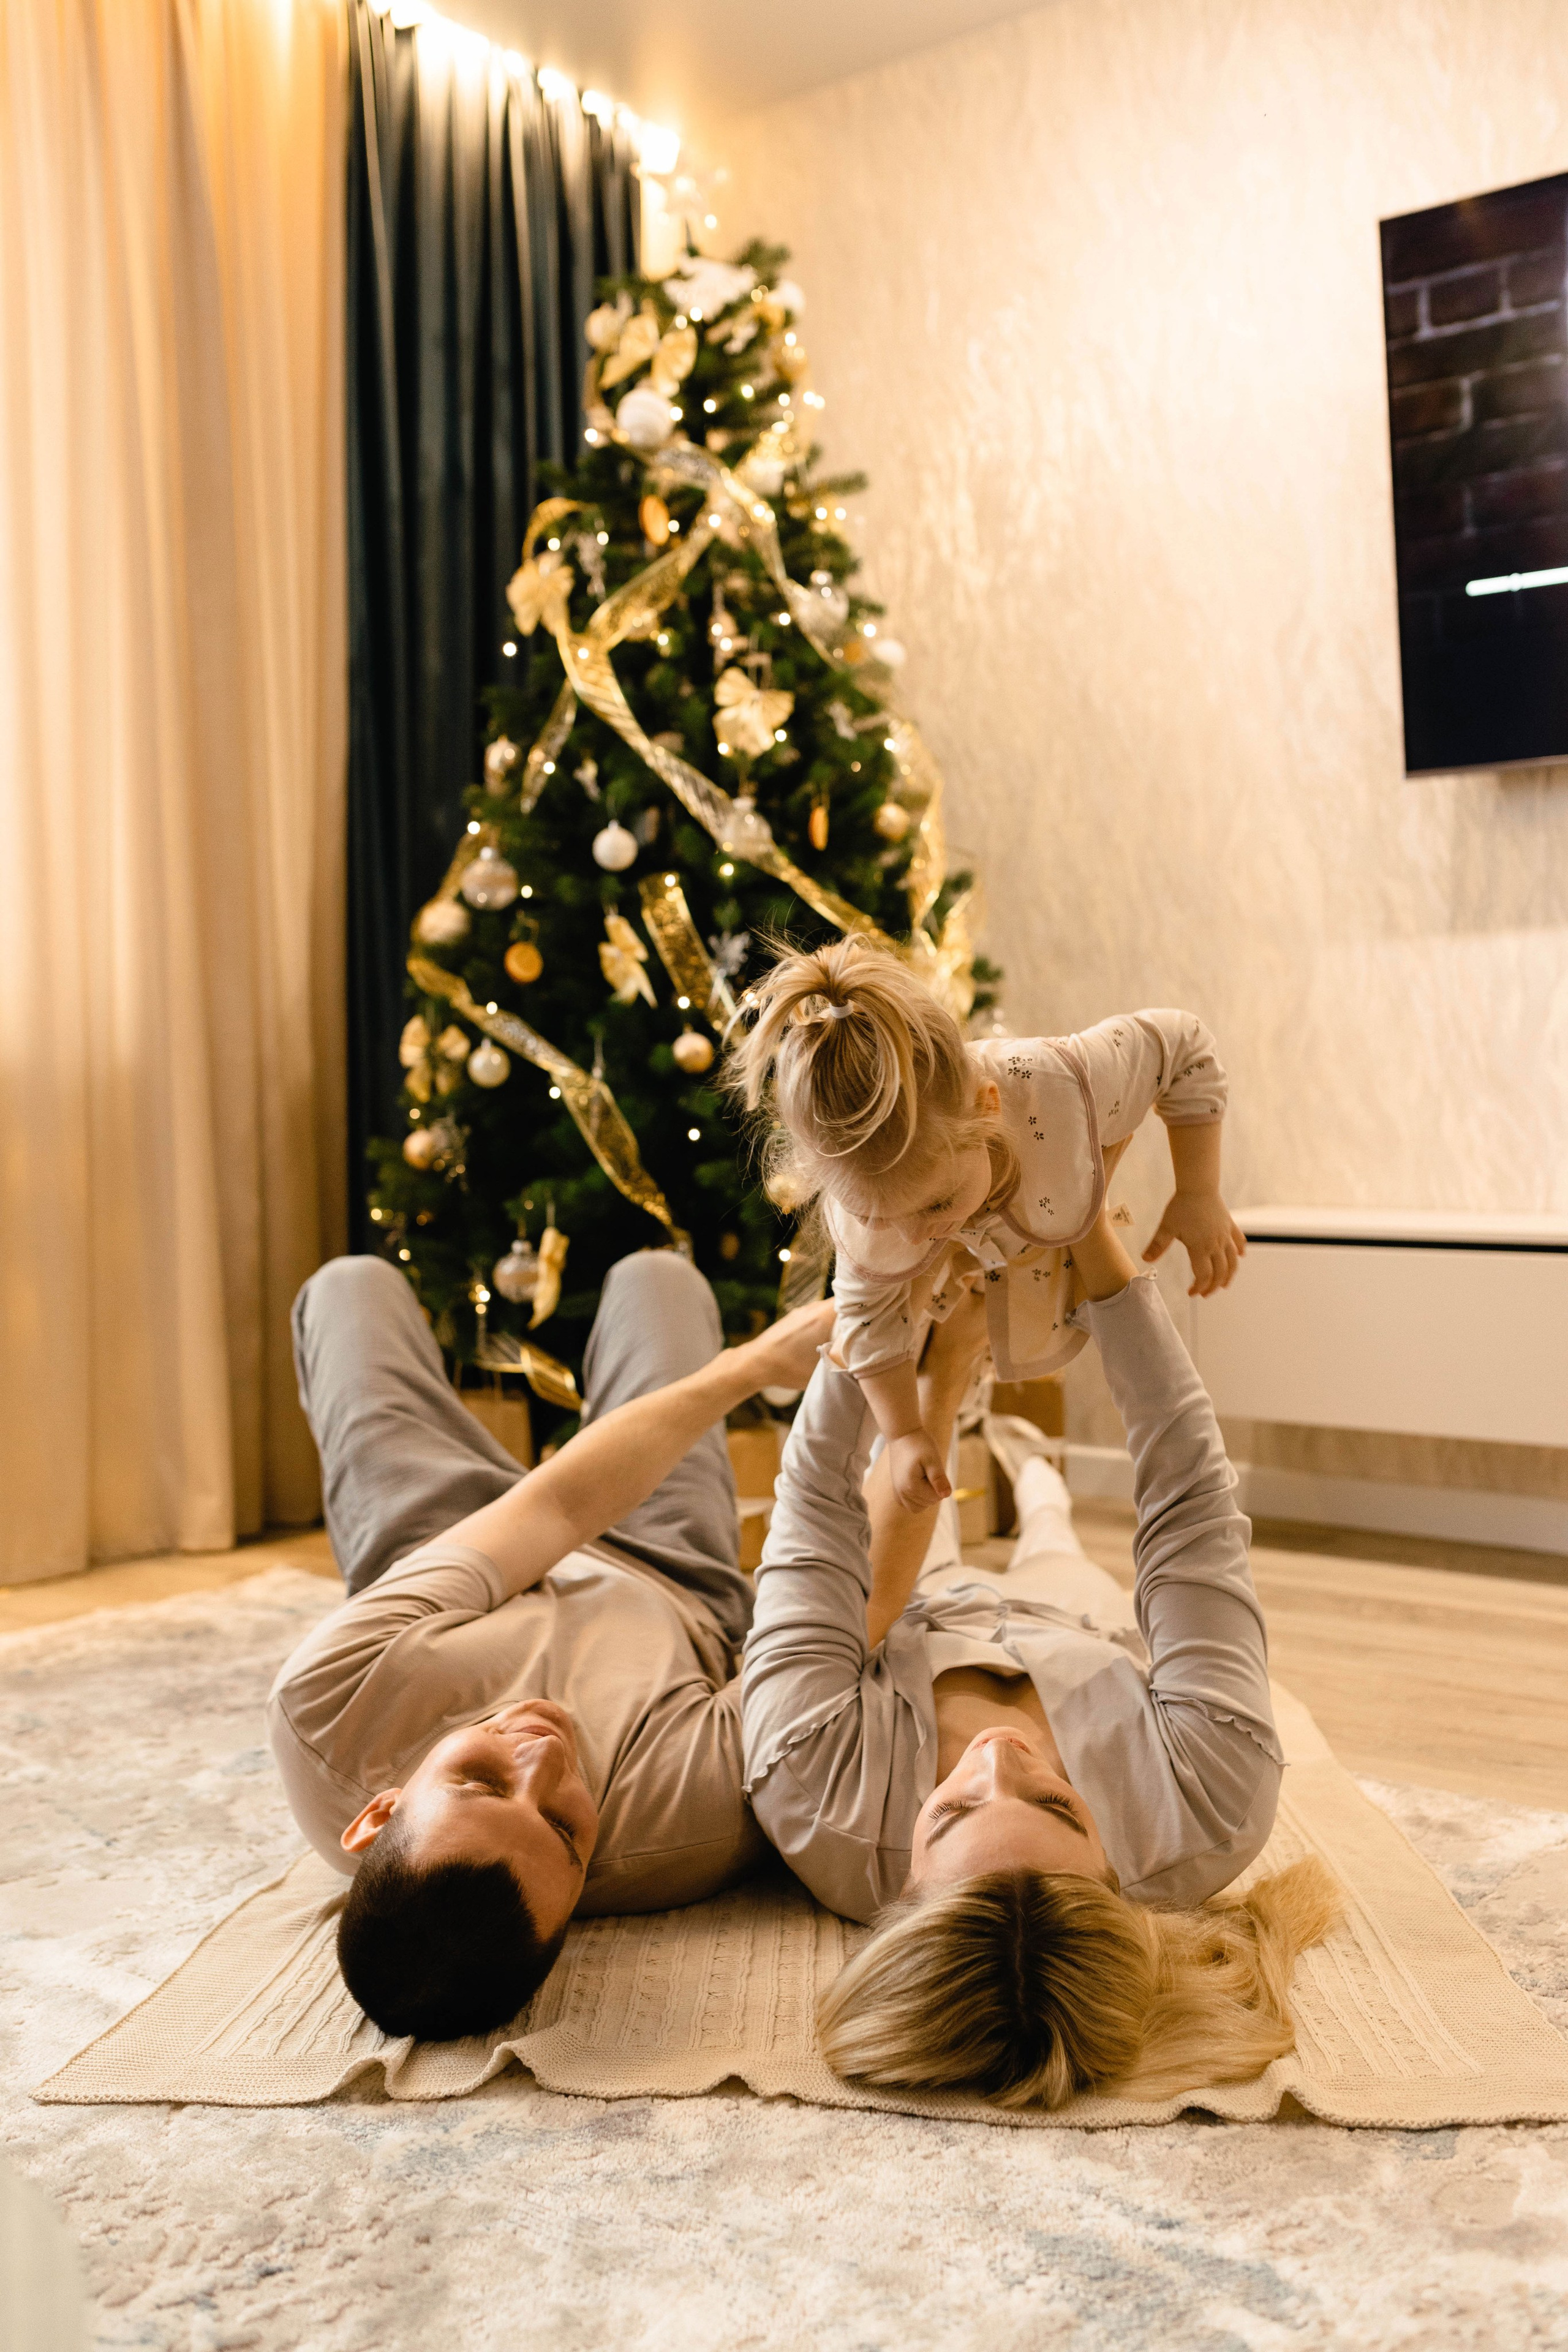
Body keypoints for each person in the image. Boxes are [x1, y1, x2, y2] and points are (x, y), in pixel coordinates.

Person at [741, 1208, 1340, 2110]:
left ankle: (956, 1384)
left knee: (897, 1528)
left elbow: (813, 1508)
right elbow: (1189, 1498)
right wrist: (1091, 1238)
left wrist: (877, 1294)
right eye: (1058, 1803)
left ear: (899, 1887)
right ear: (1118, 1877)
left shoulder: (812, 1794)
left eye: (952, 1812)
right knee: (1056, 1547)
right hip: (1080, 1633)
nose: (998, 1759)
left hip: (919, 1623)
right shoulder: (1211, 1802)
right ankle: (1040, 1483)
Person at [268, 1248, 831, 2045]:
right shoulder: (688, 1829)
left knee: (347, 1288)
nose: (546, 1755)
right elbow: (829, 1627)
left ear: (379, 1813)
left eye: (481, 1781)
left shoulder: (323, 1709)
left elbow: (557, 1508)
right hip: (664, 1572)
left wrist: (753, 1366)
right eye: (565, 1830)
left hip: (452, 1538)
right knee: (657, 1279)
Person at [727, 936, 1246, 1512]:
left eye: (934, 1205)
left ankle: (1043, 1505)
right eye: (878, 1217)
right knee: (876, 1334)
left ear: (990, 1107)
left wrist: (1198, 1191)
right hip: (955, 1275)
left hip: (1048, 1199)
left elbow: (1185, 1045)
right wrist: (903, 1433)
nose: (914, 1234)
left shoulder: (1065, 1078)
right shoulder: (870, 1203)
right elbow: (867, 1325)